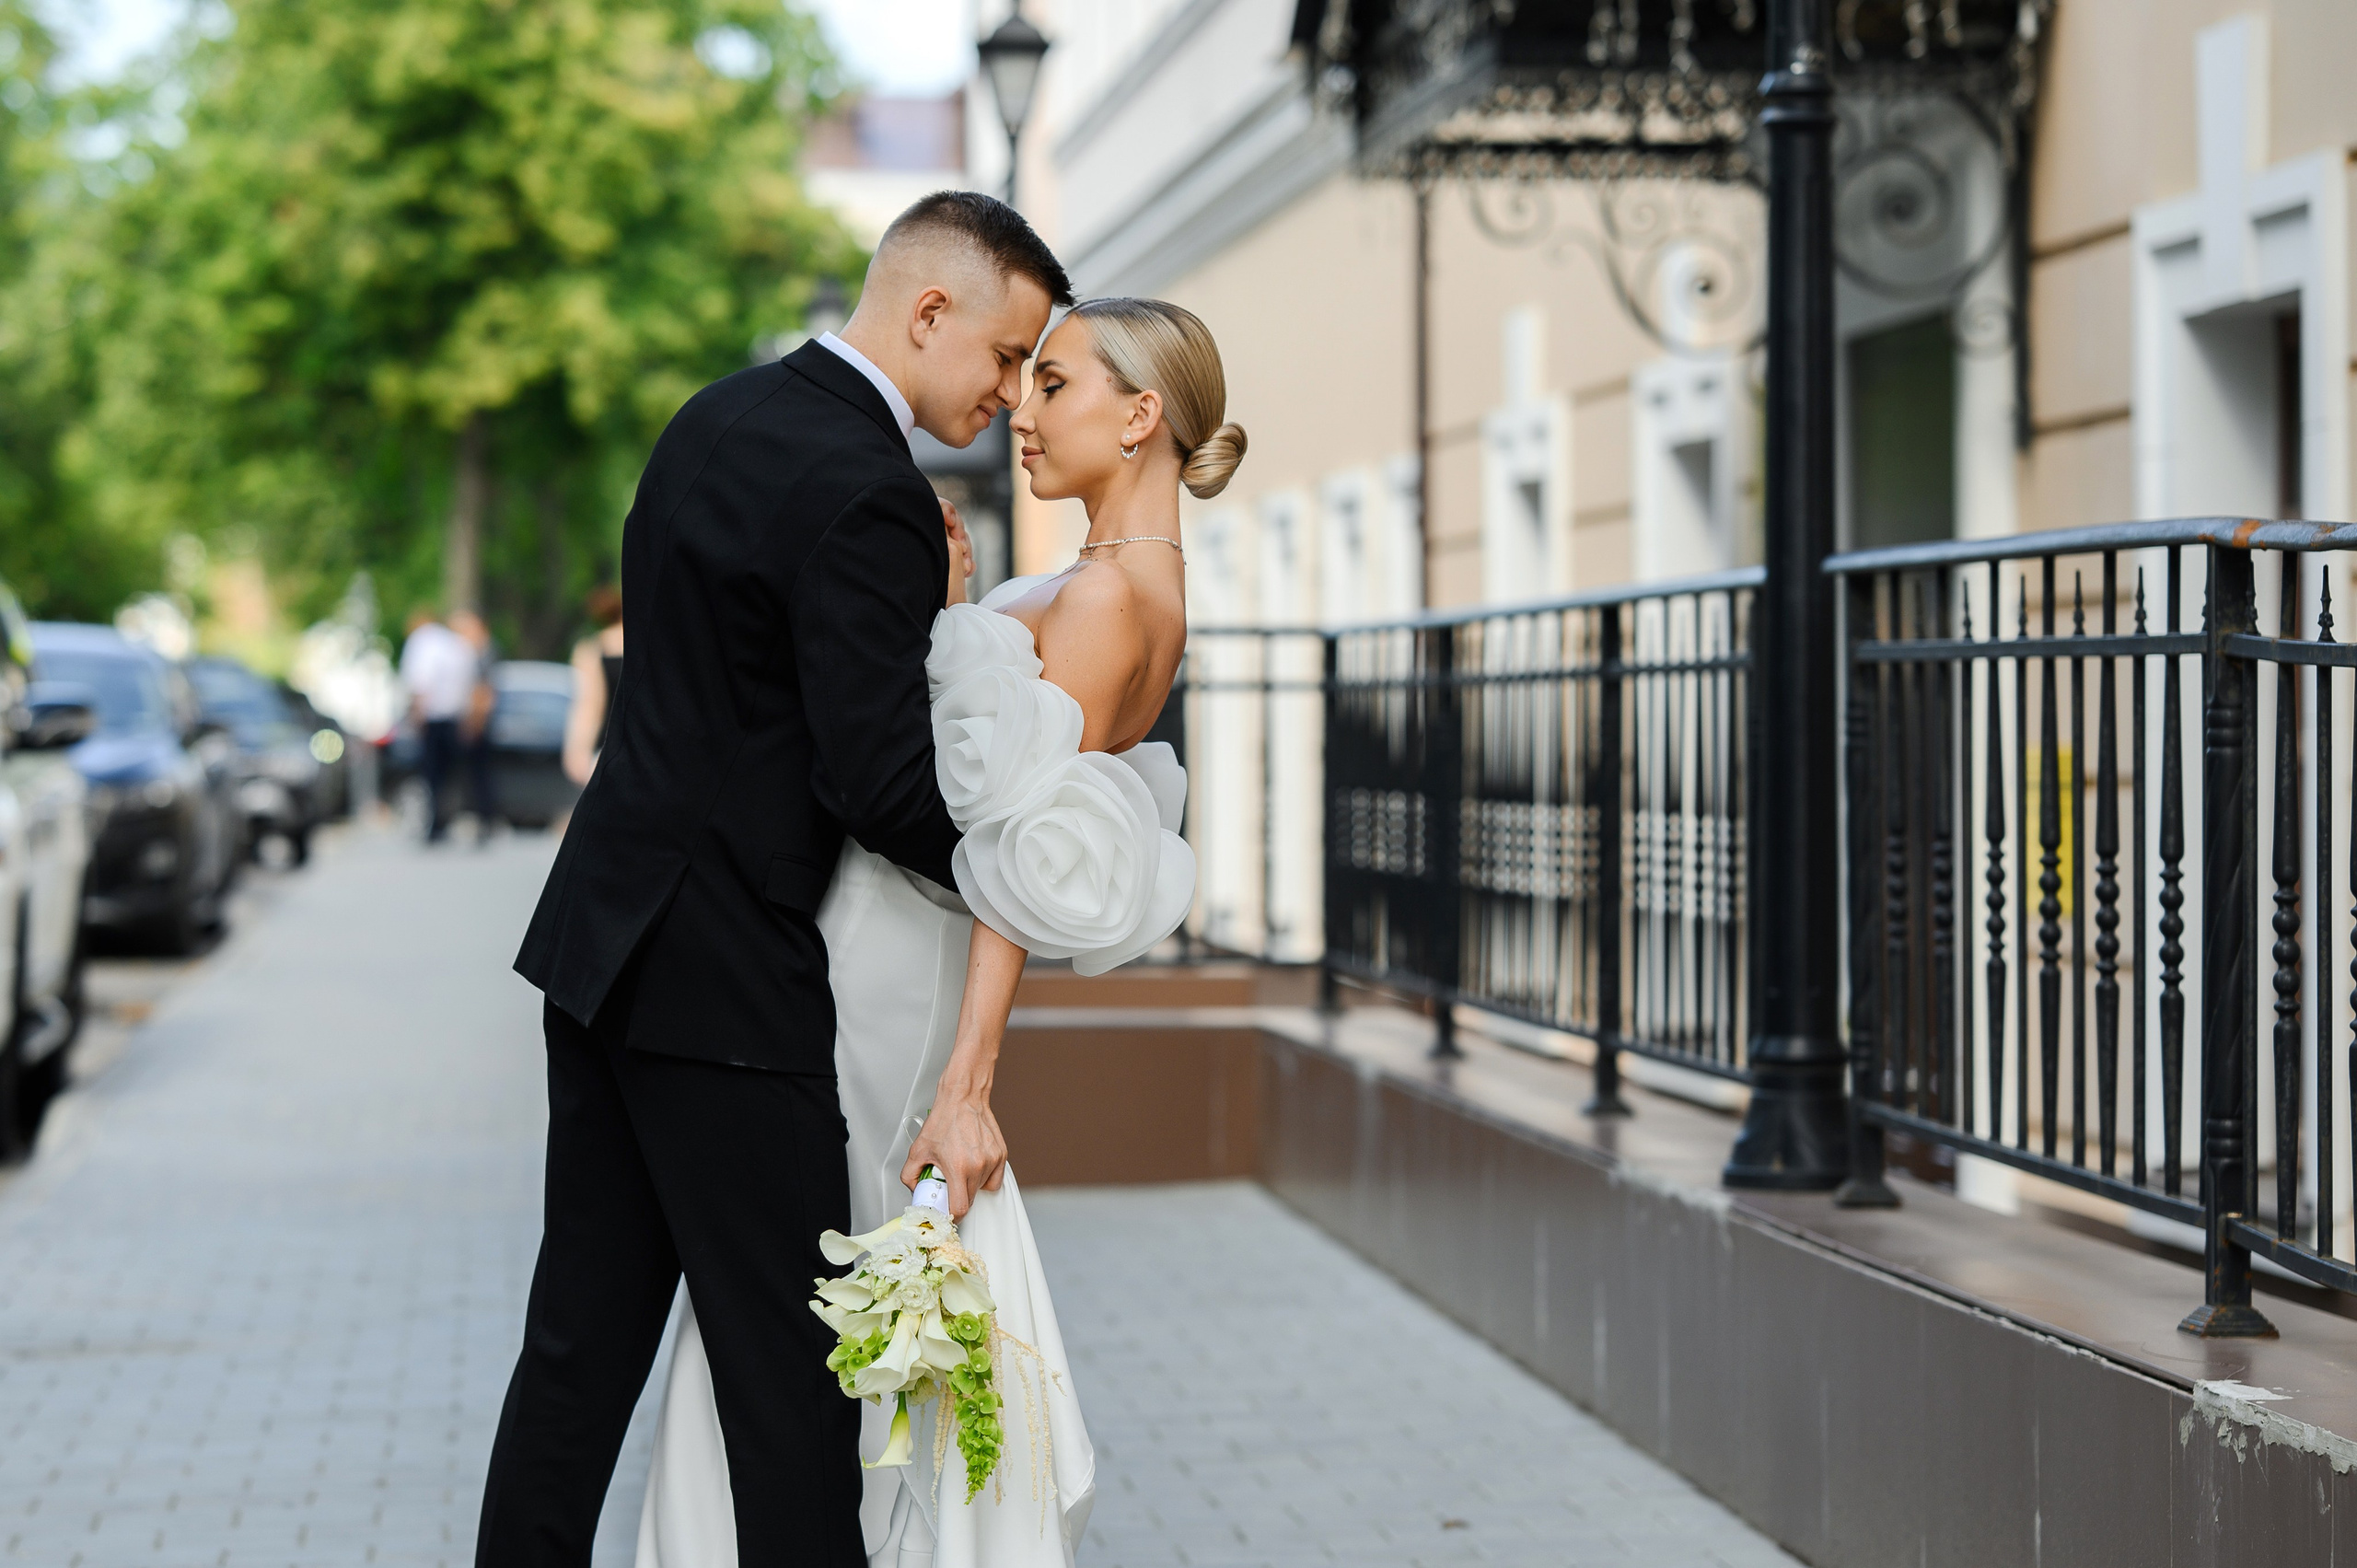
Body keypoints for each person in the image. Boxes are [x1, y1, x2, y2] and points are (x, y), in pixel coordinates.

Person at [480, 192, 1073, 1567]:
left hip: (602, 946)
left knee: (574, 1355)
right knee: (795, 1393)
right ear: (929, 310)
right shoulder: (872, 489)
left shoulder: (711, 419)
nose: (1007, 392)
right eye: (1003, 354)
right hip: (730, 987)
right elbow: (873, 778)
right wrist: (1022, 867)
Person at [633, 298, 1243, 1566]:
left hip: (897, 969)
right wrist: (959, 610)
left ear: (1141, 415)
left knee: (795, 1283)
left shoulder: (1107, 600)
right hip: (877, 942)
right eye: (1024, 376)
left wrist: (968, 1086)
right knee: (791, 1281)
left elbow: (1019, 852)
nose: (1022, 408)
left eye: (1054, 382)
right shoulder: (1113, 585)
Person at [397, 607, 476, 843]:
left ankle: (434, 824)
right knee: (449, 773)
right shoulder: (453, 643)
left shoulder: (422, 642)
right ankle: (446, 820)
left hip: (433, 718)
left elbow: (421, 682)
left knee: (432, 774)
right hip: (455, 717)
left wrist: (416, 717)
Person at [560, 585, 625, 787]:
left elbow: (590, 704)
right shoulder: (647, 644)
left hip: (607, 748)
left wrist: (577, 749)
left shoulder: (593, 649)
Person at [450, 608, 501, 842]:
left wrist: (475, 723)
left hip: (479, 722)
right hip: (477, 720)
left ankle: (485, 819)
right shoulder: (478, 651)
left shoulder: (484, 653)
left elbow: (484, 692)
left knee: (480, 775)